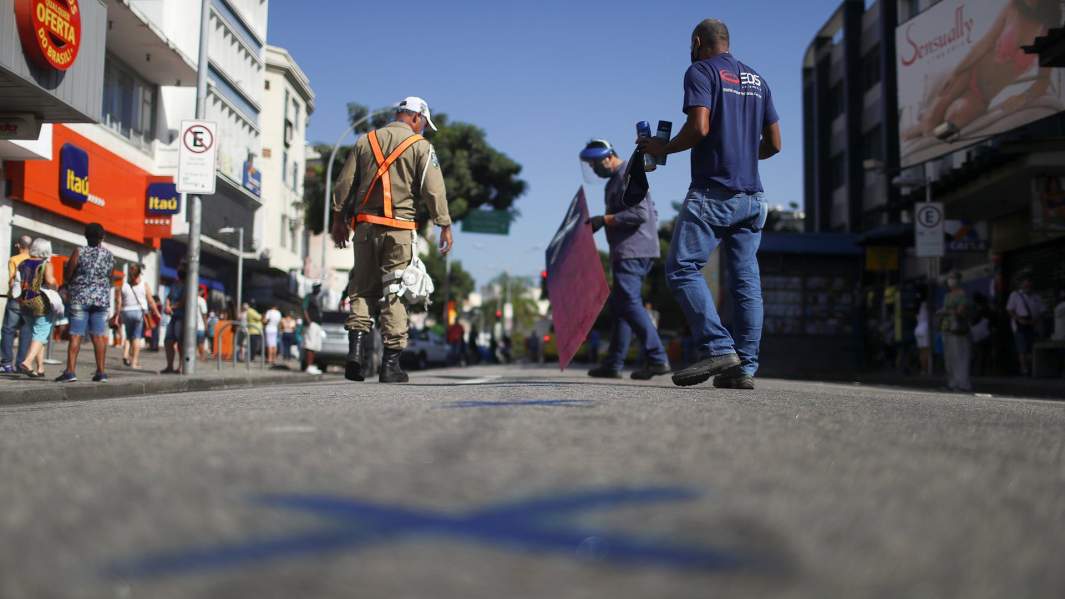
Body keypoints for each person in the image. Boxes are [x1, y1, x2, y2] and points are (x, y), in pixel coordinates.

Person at [637, 18, 781, 389]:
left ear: (697, 41)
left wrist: (662, 147)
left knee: (682, 268)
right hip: (754, 198)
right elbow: (776, 144)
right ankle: (744, 368)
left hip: (713, 192)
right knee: (746, 283)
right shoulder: (757, 80)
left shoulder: (700, 71)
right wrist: (744, 155)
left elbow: (699, 127)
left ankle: (718, 347)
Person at [331, 96, 453, 384]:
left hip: (364, 228)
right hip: (398, 230)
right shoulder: (421, 147)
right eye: (423, 123)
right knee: (395, 291)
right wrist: (444, 224)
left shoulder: (365, 140)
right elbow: (433, 190)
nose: (423, 129)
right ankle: (390, 365)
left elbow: (344, 182)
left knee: (361, 288)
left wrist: (338, 219)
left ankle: (356, 354)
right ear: (415, 118)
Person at [902, 0, 1060, 143]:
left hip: (981, 96)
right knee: (931, 120)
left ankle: (923, 130)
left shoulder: (1049, 28)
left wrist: (1023, 97)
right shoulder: (1012, 7)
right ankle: (923, 125)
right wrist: (955, 73)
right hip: (970, 72)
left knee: (951, 122)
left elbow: (1043, 80)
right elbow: (984, 44)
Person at [580, 139, 671, 380]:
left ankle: (657, 358)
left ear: (609, 157)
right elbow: (652, 211)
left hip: (634, 251)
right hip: (631, 249)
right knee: (621, 306)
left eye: (595, 163)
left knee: (628, 303)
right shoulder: (617, 179)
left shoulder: (626, 174)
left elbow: (640, 213)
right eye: (589, 165)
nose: (593, 169)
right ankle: (613, 363)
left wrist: (606, 220)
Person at [56, 223, 115, 383]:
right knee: (99, 336)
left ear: (86, 236)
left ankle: (70, 372)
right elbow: (110, 277)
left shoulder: (79, 251)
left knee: (76, 334)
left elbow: (68, 273)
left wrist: (69, 282)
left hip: (80, 298)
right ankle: (101, 373)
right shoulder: (109, 255)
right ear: (102, 237)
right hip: (101, 300)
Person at [14, 239, 58, 377]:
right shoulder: (46, 263)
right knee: (41, 332)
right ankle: (27, 362)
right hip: (39, 301)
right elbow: (50, 281)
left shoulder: (23, 263)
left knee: (37, 334)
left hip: (24, 300)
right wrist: (56, 287)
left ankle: (40, 368)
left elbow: (16, 282)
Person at [115, 264, 160, 370]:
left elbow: (118, 301)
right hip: (138, 313)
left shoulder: (124, 285)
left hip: (126, 312)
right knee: (136, 338)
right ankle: (134, 363)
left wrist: (118, 314)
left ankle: (127, 356)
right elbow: (150, 301)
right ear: (140, 273)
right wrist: (157, 313)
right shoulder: (144, 285)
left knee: (129, 336)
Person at [1, 235, 33, 373]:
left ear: (18, 245)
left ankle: (7, 363)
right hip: (30, 300)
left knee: (8, 330)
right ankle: (21, 364)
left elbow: (12, 281)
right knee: (26, 332)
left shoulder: (14, 259)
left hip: (15, 298)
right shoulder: (34, 260)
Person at [939, 272, 973, 392]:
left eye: (953, 278)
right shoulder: (948, 295)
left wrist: (948, 311)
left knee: (961, 358)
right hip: (947, 329)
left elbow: (961, 310)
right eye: (949, 278)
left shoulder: (962, 294)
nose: (951, 281)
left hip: (959, 330)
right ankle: (952, 383)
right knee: (950, 359)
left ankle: (963, 384)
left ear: (958, 280)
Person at [1007, 273, 1045, 376]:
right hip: (1020, 325)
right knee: (1022, 349)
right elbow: (1010, 310)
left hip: (1033, 325)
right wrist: (1019, 319)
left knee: (1032, 348)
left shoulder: (1036, 297)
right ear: (1021, 285)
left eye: (1029, 283)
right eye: (1025, 283)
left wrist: (1036, 320)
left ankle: (1033, 368)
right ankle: (1024, 370)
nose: (1027, 285)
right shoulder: (1015, 295)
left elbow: (1042, 311)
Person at [162, 265, 188, 374]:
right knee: (168, 341)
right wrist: (167, 306)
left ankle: (181, 366)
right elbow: (168, 297)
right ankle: (169, 366)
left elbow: (184, 301)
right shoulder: (174, 285)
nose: (179, 271)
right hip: (173, 317)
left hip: (181, 318)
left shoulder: (187, 286)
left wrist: (170, 307)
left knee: (180, 343)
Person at [302, 285, 323, 375]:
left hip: (317, 324)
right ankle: (308, 366)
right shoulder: (309, 296)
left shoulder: (316, 298)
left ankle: (311, 365)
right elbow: (304, 309)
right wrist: (309, 321)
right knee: (310, 345)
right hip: (312, 324)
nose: (318, 290)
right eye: (317, 288)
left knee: (314, 346)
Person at [914, 288, 932, 375]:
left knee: (921, 351)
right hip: (925, 328)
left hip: (918, 328)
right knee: (926, 351)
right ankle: (926, 369)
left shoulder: (917, 305)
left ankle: (923, 370)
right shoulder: (925, 304)